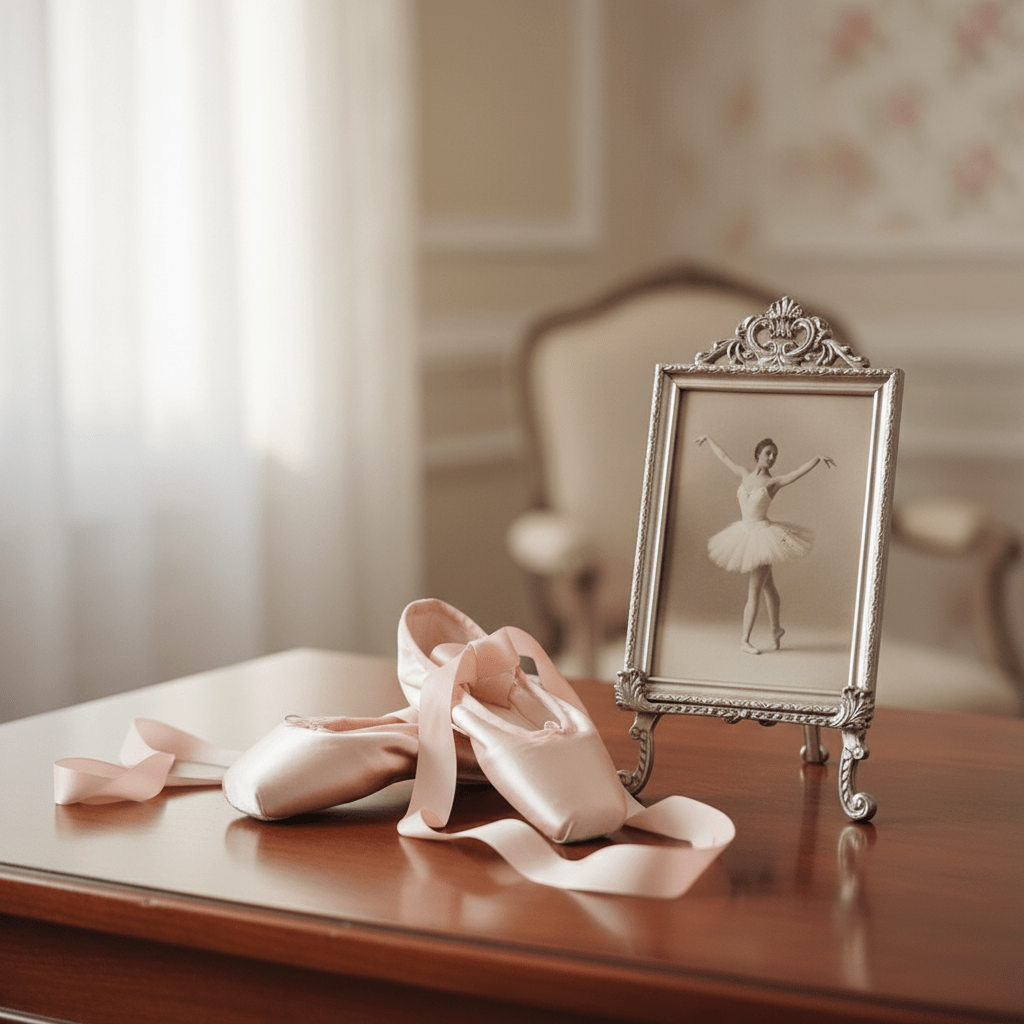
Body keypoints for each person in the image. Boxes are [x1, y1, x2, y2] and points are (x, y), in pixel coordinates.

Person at [695, 435, 835, 654]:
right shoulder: (743, 474)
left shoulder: (773, 482)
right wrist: (708, 439)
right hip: (744, 532)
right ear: (757, 455)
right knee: (768, 588)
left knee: (754, 591)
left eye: (775, 455)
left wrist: (816, 459)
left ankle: (744, 640)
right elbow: (724, 457)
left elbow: (796, 474)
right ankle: (776, 629)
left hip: (762, 537)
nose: (772, 458)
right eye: (768, 453)